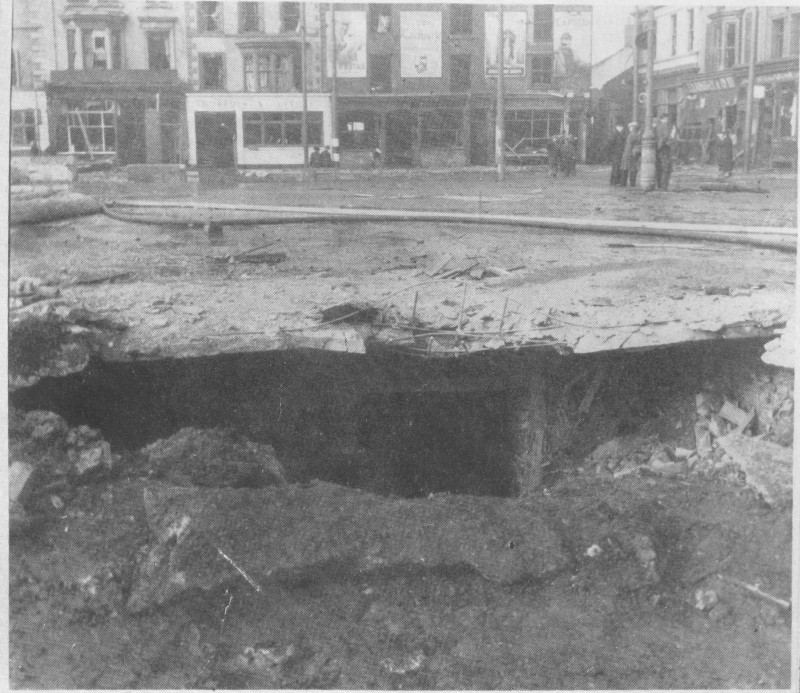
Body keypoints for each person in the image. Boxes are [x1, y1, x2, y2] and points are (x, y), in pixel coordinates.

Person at [655, 115, 674, 190]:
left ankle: (659, 185)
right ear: (665, 119)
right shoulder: (665, 126)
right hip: (664, 149)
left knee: (659, 168)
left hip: (658, 149)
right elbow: (666, 136)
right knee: (666, 168)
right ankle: (664, 186)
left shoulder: (657, 126)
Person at [621, 122, 641, 187]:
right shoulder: (638, 135)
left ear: (633, 128)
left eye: (630, 127)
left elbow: (629, 146)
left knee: (625, 169)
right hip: (634, 154)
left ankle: (623, 184)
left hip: (629, 154)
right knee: (633, 170)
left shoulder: (631, 135)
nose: (629, 128)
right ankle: (632, 184)